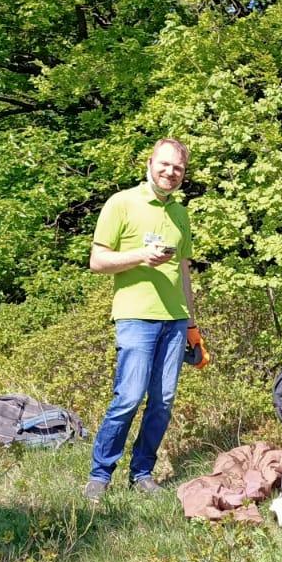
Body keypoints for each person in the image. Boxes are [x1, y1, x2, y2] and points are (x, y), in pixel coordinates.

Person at [85, 138, 197, 499]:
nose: (170, 172)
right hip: (135, 316)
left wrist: (192, 324)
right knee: (129, 397)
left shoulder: (180, 213)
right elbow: (98, 261)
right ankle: (100, 475)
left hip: (175, 321)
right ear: (149, 163)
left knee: (162, 402)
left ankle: (142, 473)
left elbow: (183, 271)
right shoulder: (121, 203)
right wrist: (139, 257)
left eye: (178, 168)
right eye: (164, 165)